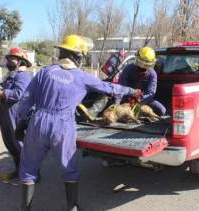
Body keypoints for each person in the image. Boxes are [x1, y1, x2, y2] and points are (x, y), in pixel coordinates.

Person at [16, 34, 141, 211]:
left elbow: (26, 100)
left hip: (38, 121)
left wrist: (22, 122)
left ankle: (24, 209)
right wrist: (132, 90)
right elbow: (110, 88)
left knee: (28, 167)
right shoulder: (82, 77)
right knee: (69, 167)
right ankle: (72, 208)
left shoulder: (44, 72)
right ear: (78, 56)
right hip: (63, 124)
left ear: (62, 53)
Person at [0, 48, 32, 178]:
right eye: (8, 58)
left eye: (11, 58)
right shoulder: (10, 76)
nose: (8, 61)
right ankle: (19, 170)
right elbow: (2, 90)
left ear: (20, 61)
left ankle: (30, 173)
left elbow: (18, 93)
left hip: (16, 115)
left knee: (19, 143)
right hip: (5, 114)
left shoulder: (23, 76)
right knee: (10, 143)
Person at [118, 46, 166, 116]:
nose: (142, 67)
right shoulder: (128, 69)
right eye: (140, 65)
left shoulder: (152, 74)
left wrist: (139, 101)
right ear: (137, 60)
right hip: (127, 98)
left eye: (146, 66)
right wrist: (119, 102)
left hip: (143, 99)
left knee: (162, 110)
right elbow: (121, 87)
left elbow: (150, 93)